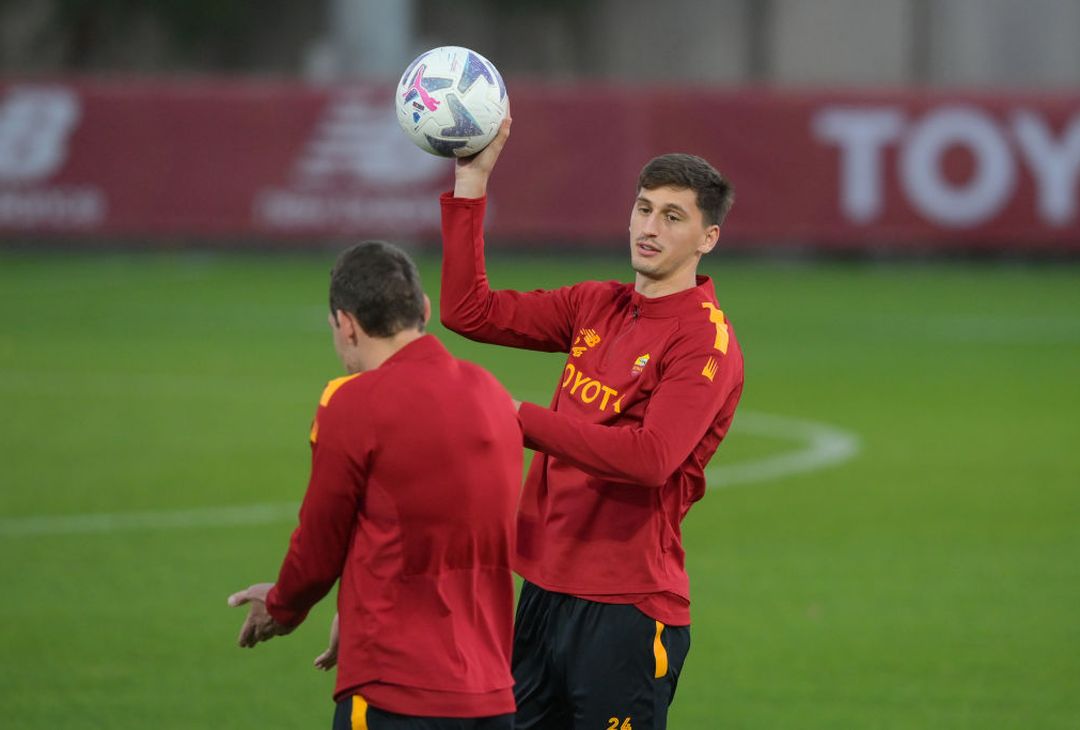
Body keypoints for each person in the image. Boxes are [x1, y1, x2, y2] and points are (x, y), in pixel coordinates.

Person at [439, 118, 745, 730]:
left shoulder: (704, 341)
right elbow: (468, 311)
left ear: (707, 238)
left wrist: (519, 419)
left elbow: (651, 459)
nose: (649, 228)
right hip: (543, 589)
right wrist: (472, 181)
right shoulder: (595, 305)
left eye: (672, 217)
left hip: (626, 607)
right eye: (643, 208)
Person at [228, 240, 523, 730]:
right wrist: (353, 610)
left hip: (395, 689)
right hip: (490, 696)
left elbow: (319, 545)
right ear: (424, 309)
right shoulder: (491, 392)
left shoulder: (351, 403)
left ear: (346, 324)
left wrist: (281, 605)